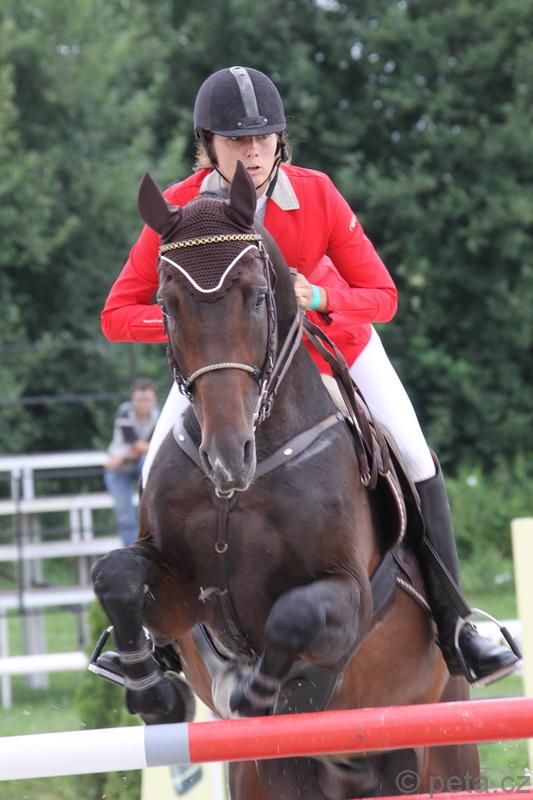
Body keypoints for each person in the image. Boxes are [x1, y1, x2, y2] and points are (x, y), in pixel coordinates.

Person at [100, 66, 519, 683]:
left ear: (280, 139)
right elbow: (116, 315)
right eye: (237, 139)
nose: (253, 151)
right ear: (207, 143)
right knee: (157, 469)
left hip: (333, 350)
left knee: (415, 455)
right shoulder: (181, 212)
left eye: (264, 137)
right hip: (229, 369)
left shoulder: (316, 194)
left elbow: (383, 296)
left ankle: (457, 626)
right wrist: (199, 325)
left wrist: (320, 296)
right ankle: (159, 643)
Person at [104, 378, 160, 547]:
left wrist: (121, 457)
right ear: (132, 400)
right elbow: (138, 444)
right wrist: (142, 449)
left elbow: (145, 448)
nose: (143, 404)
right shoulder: (125, 411)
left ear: (154, 400)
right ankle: (132, 551)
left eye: (147, 399)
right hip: (119, 471)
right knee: (125, 517)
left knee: (154, 510)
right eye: (139, 399)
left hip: (125, 462)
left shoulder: (158, 414)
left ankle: (150, 548)